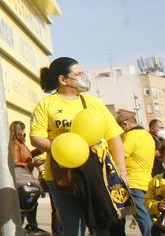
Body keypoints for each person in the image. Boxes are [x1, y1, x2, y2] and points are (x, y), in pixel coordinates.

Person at [29, 57, 127, 236]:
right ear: (63, 79)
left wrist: (122, 172)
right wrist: (63, 147)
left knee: (103, 220)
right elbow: (36, 137)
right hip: (62, 173)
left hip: (96, 171)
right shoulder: (46, 104)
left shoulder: (93, 103)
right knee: (72, 225)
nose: (83, 77)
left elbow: (114, 137)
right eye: (78, 74)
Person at [113, 111, 156, 236]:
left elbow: (119, 156)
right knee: (147, 214)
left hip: (133, 181)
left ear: (125, 124)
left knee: (142, 216)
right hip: (146, 181)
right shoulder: (147, 135)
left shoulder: (130, 136)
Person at [10, 121, 41, 234]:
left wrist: (37, 152)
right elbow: (15, 163)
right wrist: (32, 164)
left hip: (26, 178)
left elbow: (26, 156)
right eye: (23, 132)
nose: (24, 134)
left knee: (32, 204)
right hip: (21, 181)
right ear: (18, 132)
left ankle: (32, 227)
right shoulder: (15, 144)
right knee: (24, 205)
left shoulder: (21, 144)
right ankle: (19, 230)